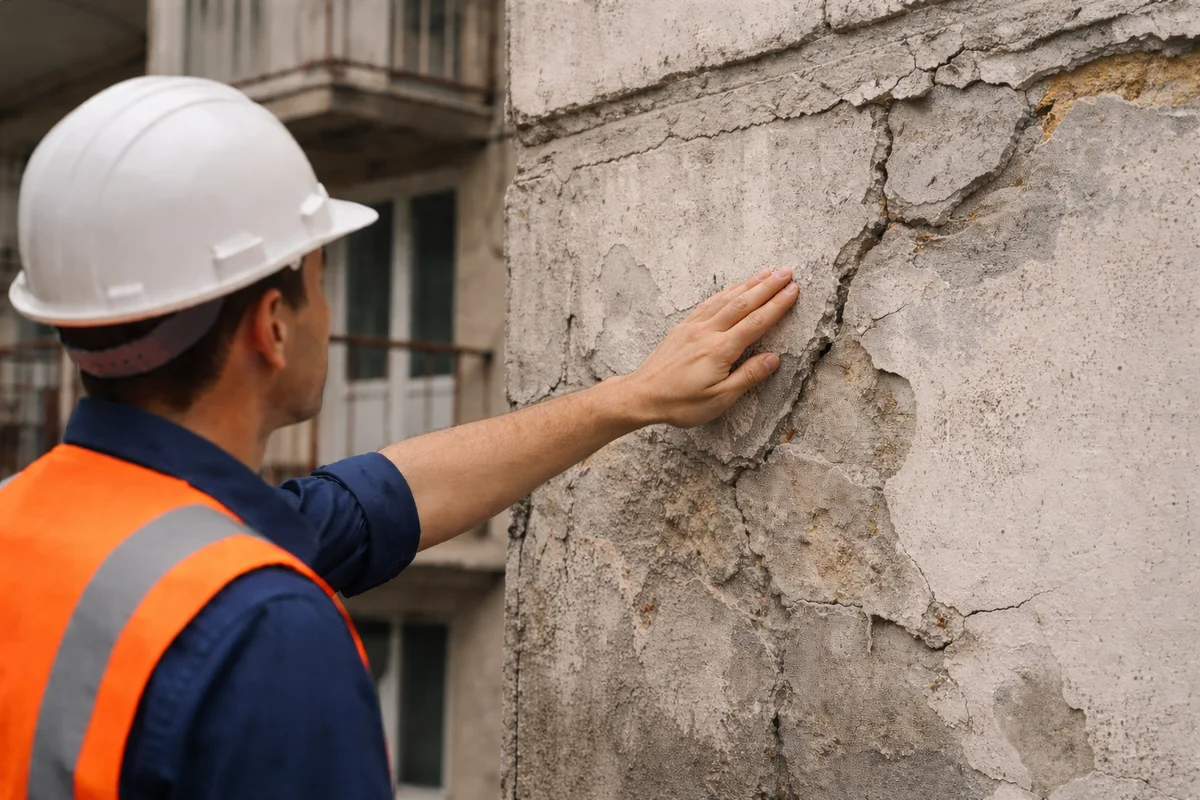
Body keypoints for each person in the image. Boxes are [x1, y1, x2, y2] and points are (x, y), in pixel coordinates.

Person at [0, 76, 798, 800]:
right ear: (272, 328)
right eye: (320, 276)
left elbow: (377, 499)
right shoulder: (265, 626)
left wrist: (631, 398)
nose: (328, 304)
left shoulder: (38, 518)